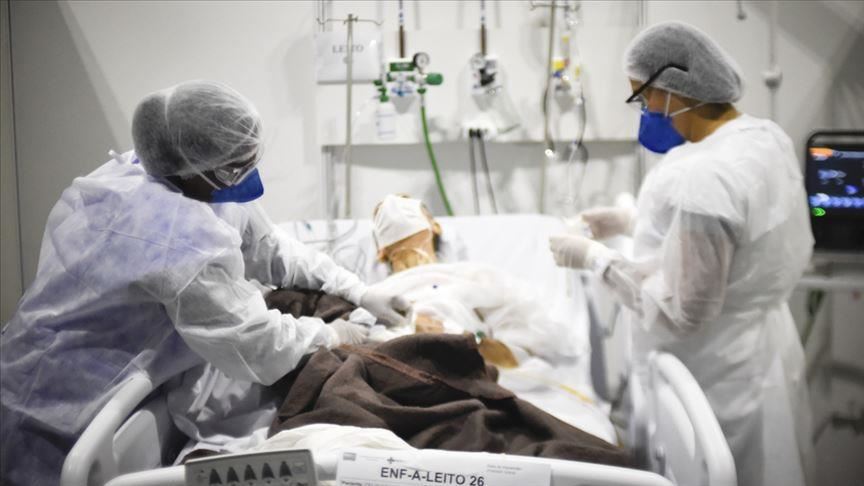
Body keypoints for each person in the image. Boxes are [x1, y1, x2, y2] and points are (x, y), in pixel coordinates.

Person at [0, 80, 407, 486]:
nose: (246, 175)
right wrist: (333, 334)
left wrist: (357, 289)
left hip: (97, 370)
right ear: (189, 167)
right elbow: (255, 344)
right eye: (235, 167)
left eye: (249, 159)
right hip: (58, 396)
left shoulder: (186, 178)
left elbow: (269, 248)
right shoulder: (179, 240)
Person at [549, 22, 814, 486]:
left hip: (712, 373)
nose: (645, 111)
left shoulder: (707, 175)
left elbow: (685, 309)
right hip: (758, 350)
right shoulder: (761, 138)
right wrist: (630, 221)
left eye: (643, 98)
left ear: (673, 88)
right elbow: (735, 238)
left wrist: (595, 258)